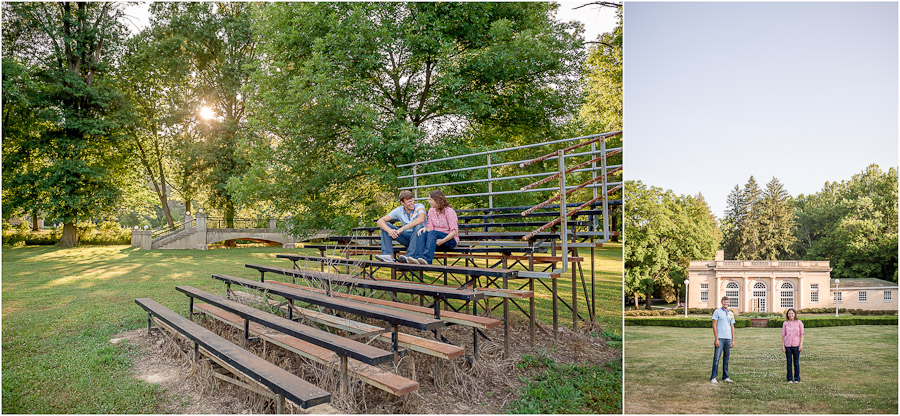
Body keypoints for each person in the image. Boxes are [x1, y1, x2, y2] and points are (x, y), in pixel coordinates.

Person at [374, 190, 426, 263]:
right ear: (402, 203)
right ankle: (388, 255)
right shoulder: (399, 210)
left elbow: (421, 219)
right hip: (406, 238)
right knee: (386, 226)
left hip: (419, 238)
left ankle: (409, 257)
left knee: (419, 226)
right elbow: (380, 221)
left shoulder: (419, 206)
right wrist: (390, 231)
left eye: (412, 200)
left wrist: (402, 229)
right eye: (409, 202)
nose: (412, 203)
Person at [415, 190, 459, 265]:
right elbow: (430, 228)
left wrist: (442, 241)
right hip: (434, 238)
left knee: (432, 233)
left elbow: (454, 232)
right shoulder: (431, 211)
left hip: (449, 239)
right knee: (422, 233)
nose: (429, 201)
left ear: (437, 200)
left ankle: (427, 261)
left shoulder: (449, 211)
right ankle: (417, 259)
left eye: (430, 199)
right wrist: (425, 229)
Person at [711, 296, 736, 384]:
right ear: (722, 302)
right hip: (720, 338)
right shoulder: (717, 312)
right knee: (716, 358)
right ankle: (713, 377)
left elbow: (732, 327)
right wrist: (716, 339)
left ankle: (725, 376)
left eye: (727, 302)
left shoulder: (731, 314)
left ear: (729, 303)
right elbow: (714, 325)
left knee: (726, 358)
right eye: (724, 301)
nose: (726, 303)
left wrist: (733, 340)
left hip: (728, 339)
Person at [782, 308, 804, 383]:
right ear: (787, 315)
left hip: (796, 345)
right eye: (789, 314)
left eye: (792, 313)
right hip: (787, 345)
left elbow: (802, 334)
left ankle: (797, 378)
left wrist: (801, 344)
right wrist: (783, 345)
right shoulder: (785, 323)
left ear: (795, 314)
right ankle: (789, 379)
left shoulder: (799, 323)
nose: (790, 315)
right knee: (789, 362)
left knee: (796, 362)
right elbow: (783, 335)